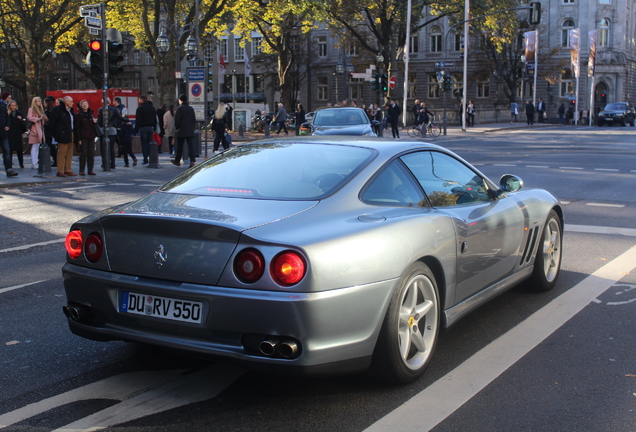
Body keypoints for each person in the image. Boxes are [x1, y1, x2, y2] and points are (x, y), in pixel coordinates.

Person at [49, 96, 77, 177]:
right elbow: (53, 122)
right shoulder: (58, 109)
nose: (72, 103)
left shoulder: (70, 110)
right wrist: (55, 134)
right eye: (71, 101)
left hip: (70, 132)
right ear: (66, 102)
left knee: (69, 152)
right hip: (62, 133)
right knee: (62, 152)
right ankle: (60, 170)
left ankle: (68, 169)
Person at [98, 98, 126, 170]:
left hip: (104, 129)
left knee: (103, 147)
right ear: (109, 102)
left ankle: (104, 162)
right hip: (112, 129)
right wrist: (127, 120)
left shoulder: (101, 109)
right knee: (111, 147)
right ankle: (112, 163)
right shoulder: (114, 109)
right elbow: (120, 118)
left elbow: (99, 121)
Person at [172, 94, 197, 168]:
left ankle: (177, 160)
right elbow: (193, 119)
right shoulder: (191, 108)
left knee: (180, 146)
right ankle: (192, 160)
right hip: (190, 130)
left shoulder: (180, 108)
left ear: (180, 100)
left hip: (182, 130)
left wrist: (177, 127)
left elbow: (177, 120)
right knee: (190, 146)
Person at [74, 99, 98, 175]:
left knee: (91, 153)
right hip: (83, 136)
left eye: (86, 104)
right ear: (81, 106)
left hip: (91, 136)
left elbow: (95, 124)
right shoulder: (78, 115)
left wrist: (95, 121)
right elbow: (77, 128)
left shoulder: (91, 113)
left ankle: (90, 170)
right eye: (83, 104)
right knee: (83, 153)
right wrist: (79, 139)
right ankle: (82, 170)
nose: (85, 105)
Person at [27, 97, 48, 169]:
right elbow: (29, 117)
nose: (40, 102)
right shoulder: (31, 109)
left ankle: (36, 161)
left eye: (40, 101)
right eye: (39, 101)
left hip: (40, 129)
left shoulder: (41, 110)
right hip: (35, 130)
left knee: (38, 146)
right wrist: (38, 119)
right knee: (35, 146)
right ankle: (34, 162)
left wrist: (45, 119)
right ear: (35, 102)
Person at [0, 92, 18, 177]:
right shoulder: (3, 106)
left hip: (3, 132)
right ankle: (9, 169)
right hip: (3, 131)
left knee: (7, 151)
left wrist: (7, 125)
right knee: (6, 151)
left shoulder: (3, 106)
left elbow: (7, 117)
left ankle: (9, 169)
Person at [134, 95, 156, 165]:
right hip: (151, 127)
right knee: (150, 143)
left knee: (144, 144)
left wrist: (136, 130)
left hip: (143, 127)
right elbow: (154, 118)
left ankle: (145, 159)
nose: (138, 101)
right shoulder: (151, 108)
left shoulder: (140, 108)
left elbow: (138, 120)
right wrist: (154, 128)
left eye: (139, 99)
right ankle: (151, 158)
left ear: (141, 100)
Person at [7, 101, 27, 168]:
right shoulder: (7, 113)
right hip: (10, 133)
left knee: (19, 149)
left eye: (14, 105)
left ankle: (21, 163)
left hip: (17, 133)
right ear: (9, 106)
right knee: (10, 150)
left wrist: (21, 119)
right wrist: (7, 115)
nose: (13, 107)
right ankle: (9, 164)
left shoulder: (19, 113)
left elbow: (23, 124)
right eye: (12, 105)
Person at [43, 96, 57, 167]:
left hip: (49, 131)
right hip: (53, 131)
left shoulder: (47, 111)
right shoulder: (54, 110)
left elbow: (48, 121)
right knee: (53, 146)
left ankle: (55, 160)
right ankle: (55, 159)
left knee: (50, 146)